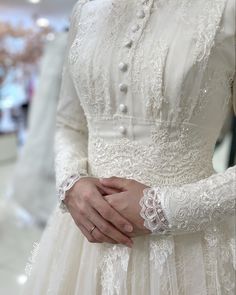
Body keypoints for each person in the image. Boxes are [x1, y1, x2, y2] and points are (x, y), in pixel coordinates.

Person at [23, 0, 236, 294]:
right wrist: (71, 184)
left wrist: (164, 210)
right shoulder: (86, 10)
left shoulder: (226, 10)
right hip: (83, 242)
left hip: (188, 248)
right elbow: (69, 124)